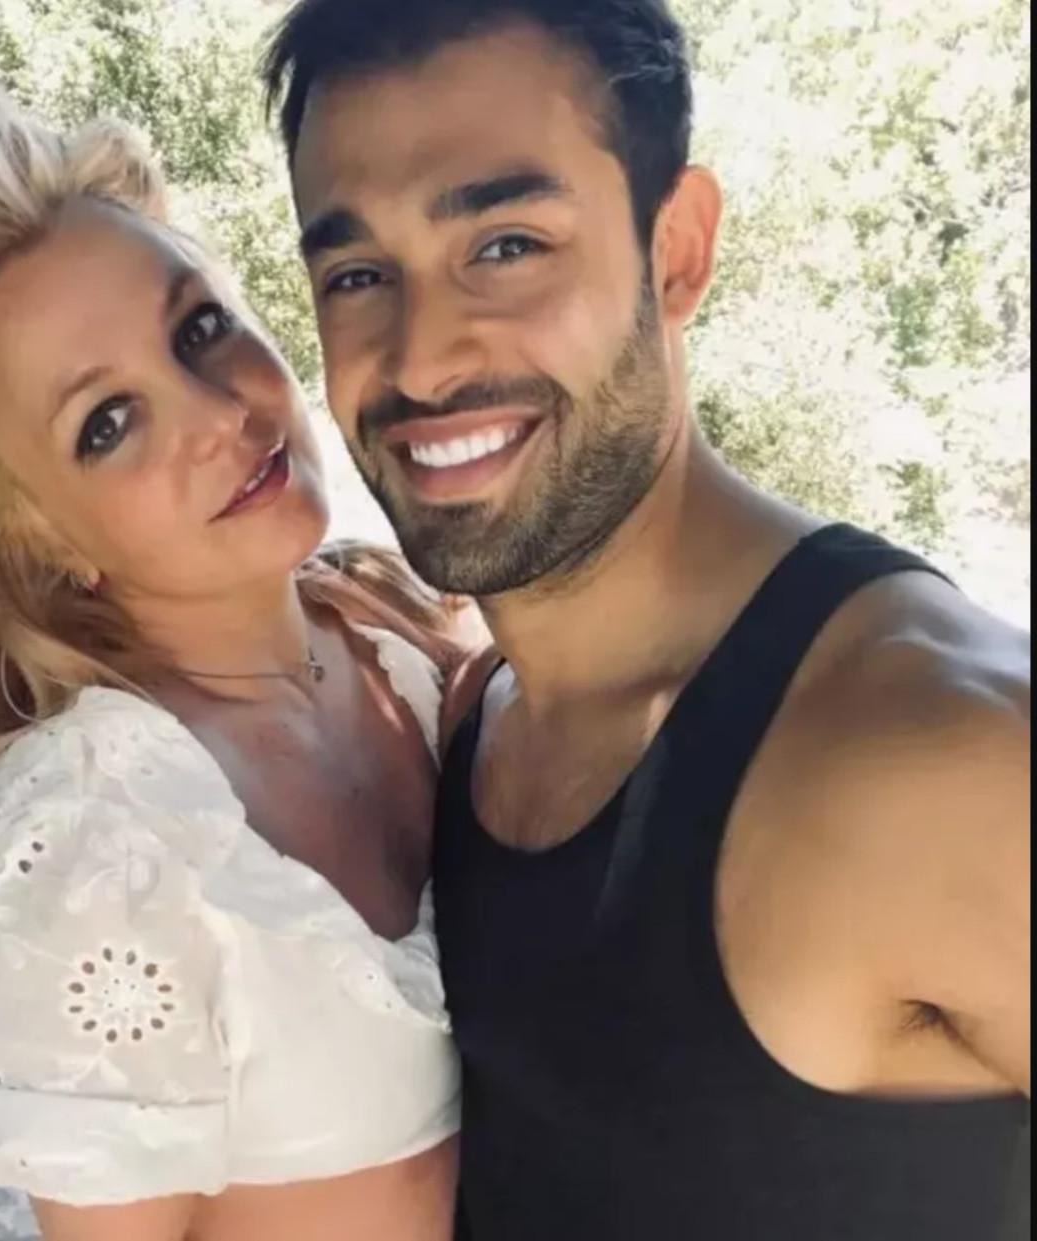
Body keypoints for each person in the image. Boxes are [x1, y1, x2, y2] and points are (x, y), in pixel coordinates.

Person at [264, 1, 1033, 1237]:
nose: (420, 358)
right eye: (358, 275)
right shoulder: (472, 719)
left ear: (675, 251)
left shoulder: (941, 754)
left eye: (506, 244)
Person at [0, 79, 468, 1241]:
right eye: (108, 423)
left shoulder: (403, 631)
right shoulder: (95, 842)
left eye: (199, 328)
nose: (219, 413)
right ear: (39, 538)